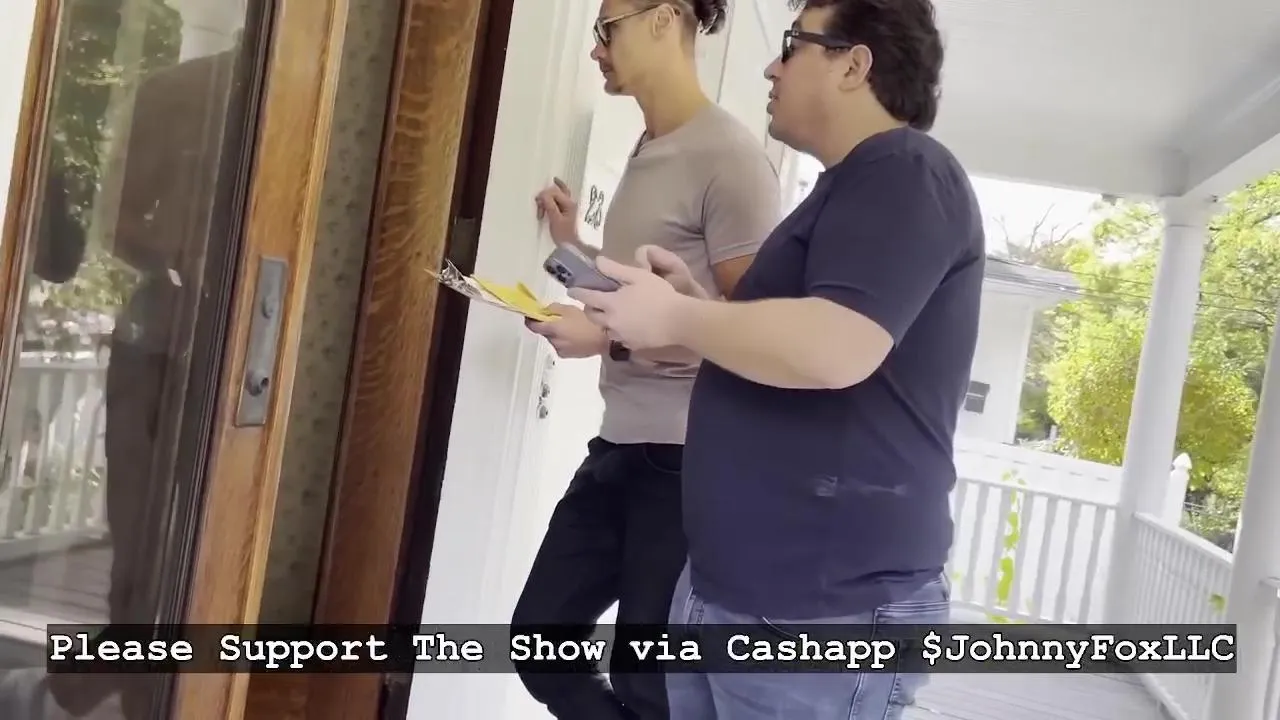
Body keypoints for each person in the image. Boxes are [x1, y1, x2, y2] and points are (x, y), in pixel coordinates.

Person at [568, 0, 983, 717]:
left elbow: (837, 347)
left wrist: (680, 316)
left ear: (854, 65)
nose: (770, 66)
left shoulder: (907, 171)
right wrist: (692, 308)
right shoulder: (847, 188)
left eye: (792, 45)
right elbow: (786, 346)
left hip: (821, 608)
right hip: (739, 589)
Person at [509, 0, 781, 718]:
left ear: (664, 18)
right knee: (540, 644)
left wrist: (605, 339)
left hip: (685, 463)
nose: (596, 49)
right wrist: (572, 248)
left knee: (648, 687)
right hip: (620, 448)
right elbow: (646, 291)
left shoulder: (729, 160)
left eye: (608, 30)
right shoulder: (648, 147)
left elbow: (753, 339)